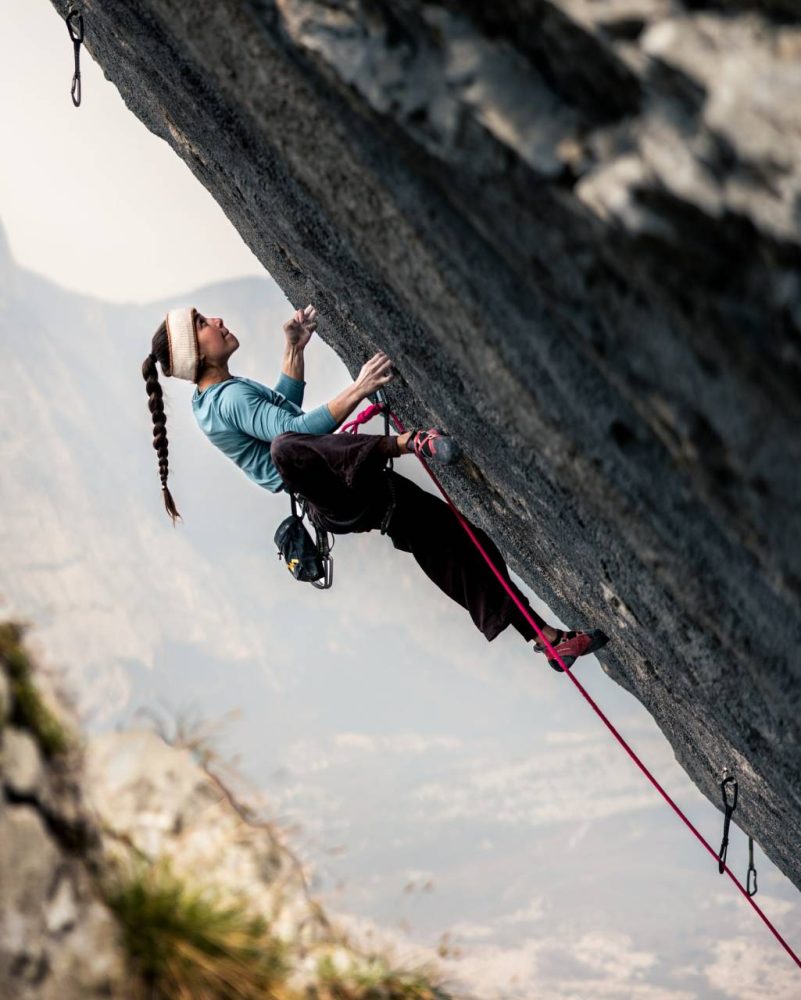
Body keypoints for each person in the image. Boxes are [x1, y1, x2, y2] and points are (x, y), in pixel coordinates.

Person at [141, 303, 608, 671]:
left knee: (457, 541)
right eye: (203, 323)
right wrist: (360, 388)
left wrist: (294, 349)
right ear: (195, 354)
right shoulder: (229, 399)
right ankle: (406, 444)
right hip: (335, 491)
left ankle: (544, 638)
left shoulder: (213, 398)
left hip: (354, 488)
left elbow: (285, 414)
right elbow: (296, 430)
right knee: (286, 447)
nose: (217, 320)